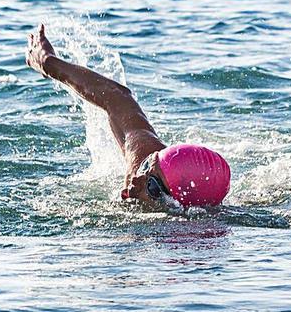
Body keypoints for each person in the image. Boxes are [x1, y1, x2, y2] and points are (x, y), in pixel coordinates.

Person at [25, 24, 231, 208]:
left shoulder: (180, 228)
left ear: (179, 206)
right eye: (147, 165)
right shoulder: (142, 159)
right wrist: (48, 63)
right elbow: (117, 98)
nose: (137, 180)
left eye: (152, 187)